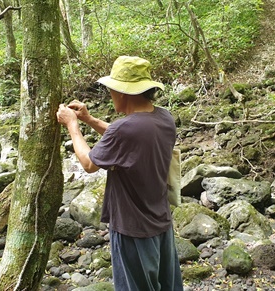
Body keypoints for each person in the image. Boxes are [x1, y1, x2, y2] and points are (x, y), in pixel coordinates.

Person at [56, 55, 183, 291]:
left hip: (132, 229)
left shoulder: (125, 129)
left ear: (122, 93)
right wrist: (89, 119)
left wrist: (72, 126)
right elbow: (126, 138)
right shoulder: (164, 118)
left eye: (112, 90)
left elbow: (88, 163)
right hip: (161, 222)